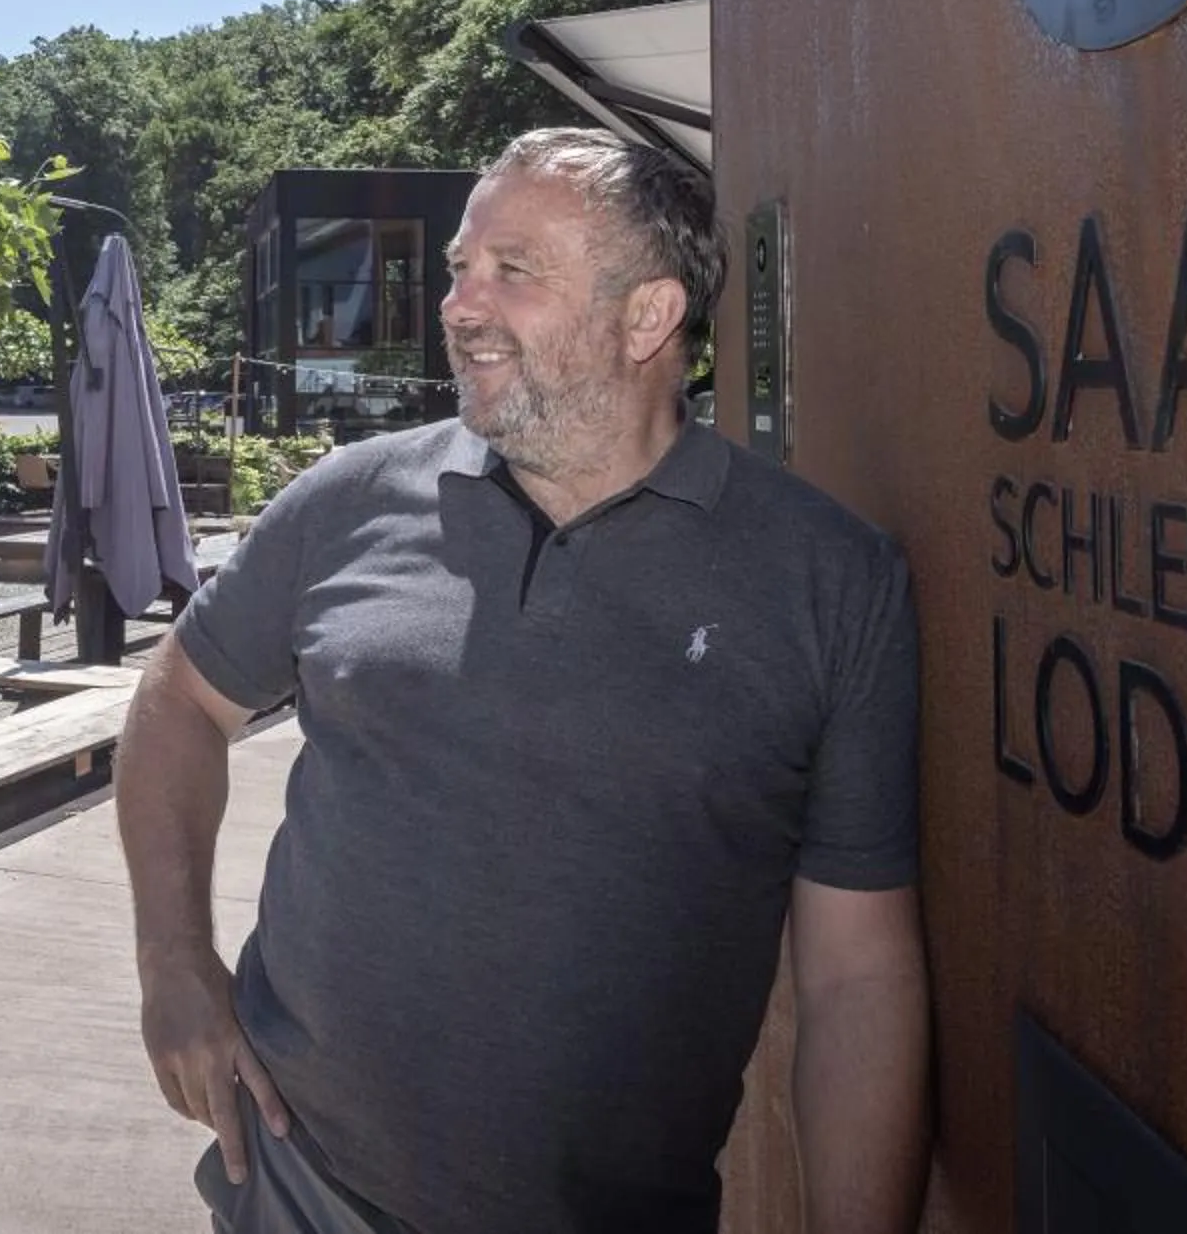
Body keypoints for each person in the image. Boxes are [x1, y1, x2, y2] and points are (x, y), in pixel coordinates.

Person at [117, 129, 928, 1234]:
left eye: (513, 271)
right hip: (298, 1184)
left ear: (648, 317)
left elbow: (857, 980)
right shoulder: (348, 499)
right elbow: (178, 700)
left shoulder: (831, 581)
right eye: (460, 268)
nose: (459, 306)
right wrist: (171, 959)